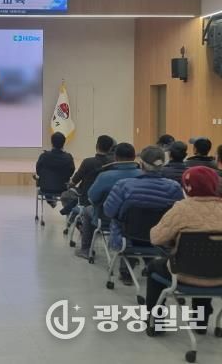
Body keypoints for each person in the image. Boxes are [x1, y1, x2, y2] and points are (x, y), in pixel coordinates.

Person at [146, 166, 222, 334]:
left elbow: (156, 238)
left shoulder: (181, 209)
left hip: (184, 274)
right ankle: (201, 322)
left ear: (187, 187)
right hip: (219, 277)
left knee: (154, 267)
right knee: (210, 260)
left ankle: (155, 323)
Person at [103, 146, 184, 285]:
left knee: (125, 225)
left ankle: (126, 271)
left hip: (127, 238)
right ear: (162, 165)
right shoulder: (174, 188)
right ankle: (149, 265)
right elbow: (178, 215)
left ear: (141, 164)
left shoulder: (123, 186)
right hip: (160, 239)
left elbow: (109, 211)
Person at [74, 143, 141, 259]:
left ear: (115, 157)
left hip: (107, 219)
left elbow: (92, 197)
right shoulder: (143, 175)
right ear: (134, 157)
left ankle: (86, 249)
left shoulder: (105, 176)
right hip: (137, 221)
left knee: (87, 210)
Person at [66, 135, 115, 213]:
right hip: (105, 200)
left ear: (96, 146)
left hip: (85, 198)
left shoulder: (87, 162)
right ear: (110, 149)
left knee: (66, 195)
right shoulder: (113, 165)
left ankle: (74, 216)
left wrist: (69, 185)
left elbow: (74, 182)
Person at [35, 132, 75, 207]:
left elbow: (38, 171)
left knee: (48, 179)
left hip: (45, 188)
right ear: (64, 143)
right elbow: (71, 172)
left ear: (52, 143)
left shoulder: (44, 156)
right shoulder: (68, 157)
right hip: (62, 188)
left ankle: (51, 201)